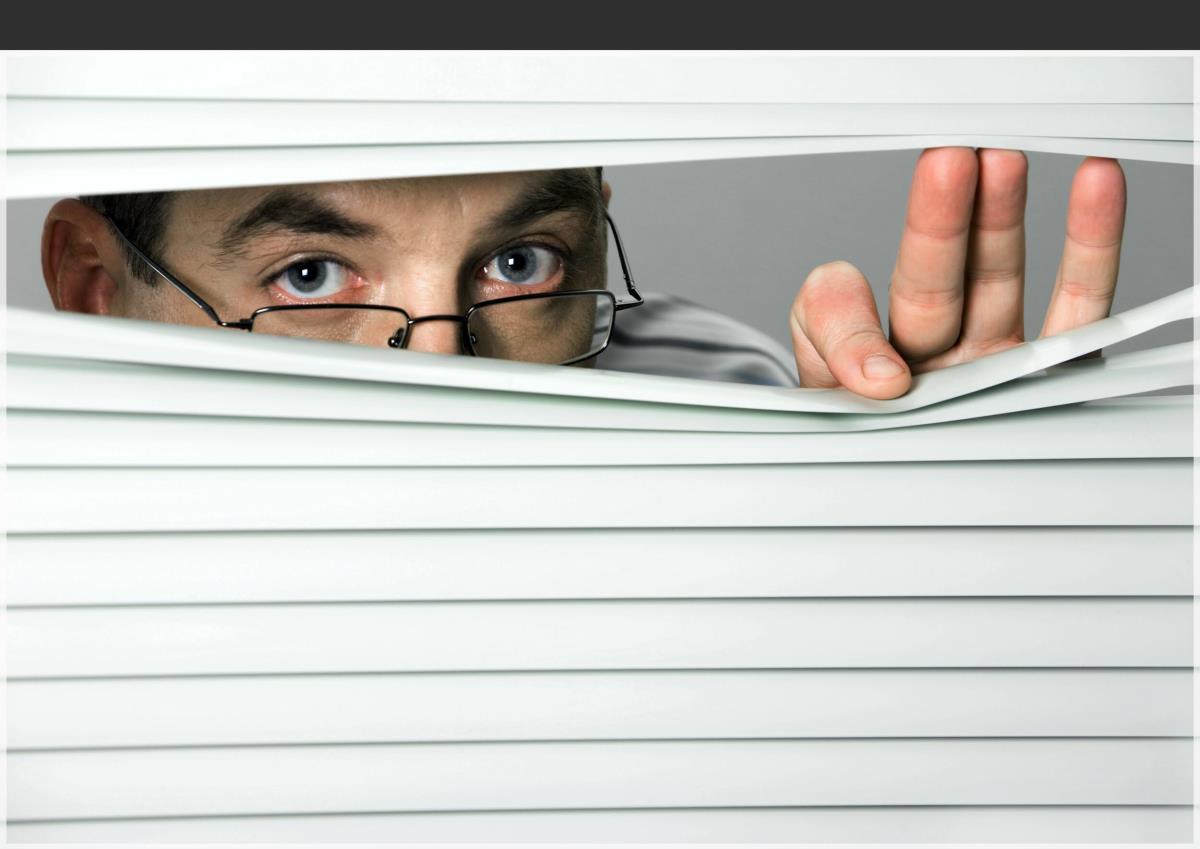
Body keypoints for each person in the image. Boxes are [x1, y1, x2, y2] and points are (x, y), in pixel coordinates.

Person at [39, 149, 1127, 396]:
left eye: (520, 263)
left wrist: (924, 533)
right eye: (311, 276)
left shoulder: (718, 399)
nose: (447, 376)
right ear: (96, 285)